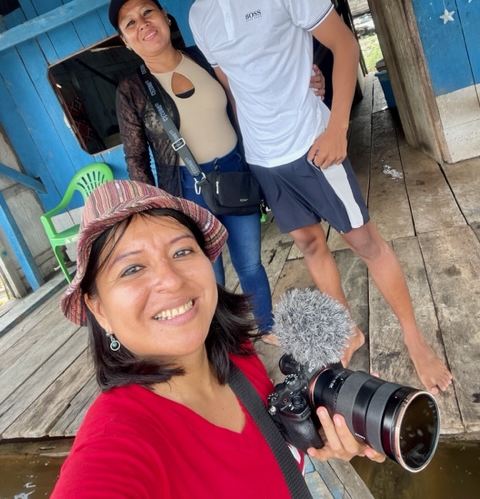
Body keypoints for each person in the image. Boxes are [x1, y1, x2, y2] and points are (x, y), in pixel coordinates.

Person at [158, 0, 452, 395]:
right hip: (265, 159)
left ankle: (414, 339)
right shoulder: (198, 15)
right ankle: (347, 330)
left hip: (313, 143)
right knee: (310, 244)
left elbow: (344, 44)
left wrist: (338, 126)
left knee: (365, 242)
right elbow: (234, 84)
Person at [51, 180, 385, 497]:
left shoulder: (238, 355)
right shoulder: (116, 439)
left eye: (182, 251)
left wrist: (323, 430)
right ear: (99, 310)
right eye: (132, 269)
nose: (171, 280)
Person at [109, 0, 276, 337]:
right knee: (207, 275)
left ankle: (266, 328)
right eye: (130, 23)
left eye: (147, 12)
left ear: (165, 17)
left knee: (250, 264)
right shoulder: (131, 89)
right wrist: (151, 212)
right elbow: (136, 157)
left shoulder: (203, 57)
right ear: (125, 41)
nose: (143, 24)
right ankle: (225, 343)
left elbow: (247, 93)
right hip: (186, 190)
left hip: (235, 173)